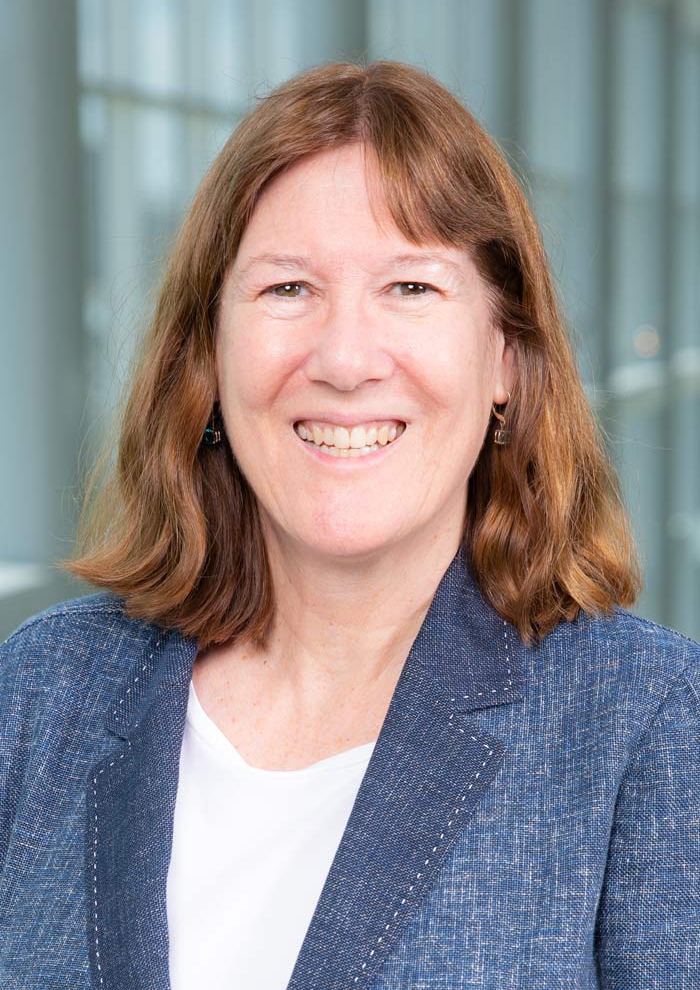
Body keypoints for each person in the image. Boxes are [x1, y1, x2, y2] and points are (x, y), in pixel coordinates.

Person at [1, 59, 698, 990]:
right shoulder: (42, 693)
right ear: (208, 352)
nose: (343, 358)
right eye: (288, 289)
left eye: (411, 288)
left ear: (508, 360)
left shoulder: (640, 725)